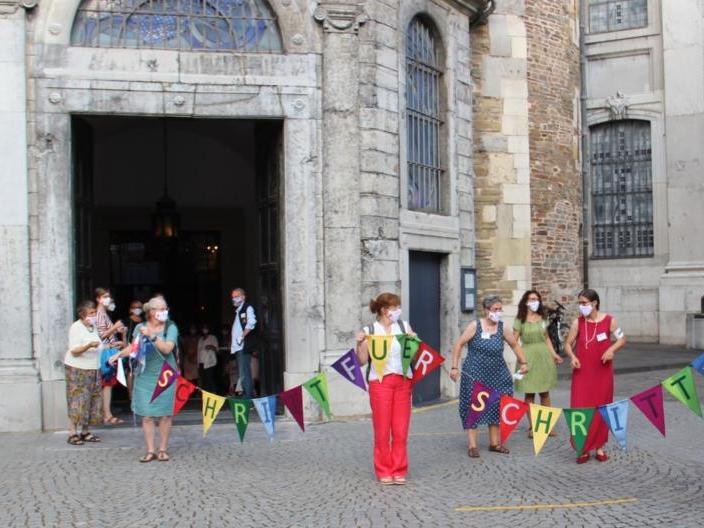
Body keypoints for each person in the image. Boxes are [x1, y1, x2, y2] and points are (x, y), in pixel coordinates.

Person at [449, 295, 529, 458]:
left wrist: (524, 362)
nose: (498, 312)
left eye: (500, 309)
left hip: (498, 372)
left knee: (496, 405)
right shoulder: (475, 326)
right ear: (486, 311)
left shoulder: (502, 328)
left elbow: (514, 344)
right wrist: (454, 366)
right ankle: (472, 445)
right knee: (475, 407)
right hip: (475, 373)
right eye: (495, 309)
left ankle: (495, 443)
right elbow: (459, 344)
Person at [355, 292, 416, 485]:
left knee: (400, 429)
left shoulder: (404, 327)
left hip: (403, 381)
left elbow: (413, 358)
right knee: (382, 429)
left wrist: (414, 342)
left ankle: (399, 469)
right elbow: (362, 361)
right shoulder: (370, 329)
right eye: (395, 307)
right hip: (379, 382)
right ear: (384, 310)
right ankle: (383, 470)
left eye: (398, 307)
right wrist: (359, 343)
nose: (398, 311)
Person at [110, 296, 179, 462]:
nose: (164, 312)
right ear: (151, 312)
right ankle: (150, 450)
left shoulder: (170, 327)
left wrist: (153, 336)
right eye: (161, 309)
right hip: (145, 375)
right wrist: (119, 354)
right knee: (146, 415)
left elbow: (168, 349)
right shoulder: (140, 327)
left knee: (164, 414)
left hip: (165, 375)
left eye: (165, 309)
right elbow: (134, 348)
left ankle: (162, 448)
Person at [564, 288, 626, 464]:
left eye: (584, 303)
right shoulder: (578, 323)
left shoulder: (609, 320)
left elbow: (622, 339)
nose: (581, 306)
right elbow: (568, 344)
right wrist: (573, 356)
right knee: (580, 408)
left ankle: (599, 446)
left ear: (594, 303)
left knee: (601, 407)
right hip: (582, 372)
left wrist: (611, 349)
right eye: (580, 303)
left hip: (602, 372)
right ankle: (582, 447)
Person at [513, 290, 563, 438]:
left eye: (536, 299)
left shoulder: (543, 318)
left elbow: (547, 339)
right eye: (531, 299)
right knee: (529, 393)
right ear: (525, 302)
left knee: (545, 393)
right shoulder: (519, 320)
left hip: (544, 357)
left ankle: (546, 426)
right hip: (527, 357)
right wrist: (521, 360)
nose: (534, 301)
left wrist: (554, 355)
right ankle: (533, 427)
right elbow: (514, 342)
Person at [64, 300, 104, 445]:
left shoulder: (93, 327)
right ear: (83, 314)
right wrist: (88, 346)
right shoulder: (76, 327)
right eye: (91, 313)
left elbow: (99, 344)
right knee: (77, 399)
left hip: (93, 368)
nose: (94, 315)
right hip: (77, 368)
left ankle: (85, 431)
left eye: (94, 312)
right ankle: (73, 432)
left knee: (92, 400)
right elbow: (74, 351)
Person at [95, 287, 126, 425]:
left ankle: (106, 413)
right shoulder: (99, 315)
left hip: (110, 350)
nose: (108, 299)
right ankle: (106, 414)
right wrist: (114, 328)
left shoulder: (104, 314)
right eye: (105, 296)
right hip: (105, 353)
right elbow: (100, 336)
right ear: (98, 299)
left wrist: (117, 333)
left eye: (109, 296)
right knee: (106, 384)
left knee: (108, 384)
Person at [230, 288, 257, 399]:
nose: (234, 298)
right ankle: (247, 395)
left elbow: (252, 322)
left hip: (243, 346)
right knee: (243, 373)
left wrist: (241, 336)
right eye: (233, 296)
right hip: (238, 346)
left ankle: (247, 398)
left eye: (237, 295)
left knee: (244, 373)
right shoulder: (239, 310)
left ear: (243, 296)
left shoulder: (247, 308)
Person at [124, 300, 144, 398]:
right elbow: (125, 337)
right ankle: (131, 397)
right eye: (135, 307)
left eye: (140, 307)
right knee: (131, 371)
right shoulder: (126, 321)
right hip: (131, 349)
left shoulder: (144, 321)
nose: (137, 309)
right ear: (130, 309)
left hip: (143, 349)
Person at [197, 324, 219, 393]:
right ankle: (206, 395)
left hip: (210, 362)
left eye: (206, 328)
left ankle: (213, 394)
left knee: (210, 379)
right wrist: (197, 363)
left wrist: (211, 346)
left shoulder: (213, 337)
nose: (204, 330)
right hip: (201, 362)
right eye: (203, 328)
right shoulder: (200, 339)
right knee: (204, 380)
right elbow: (198, 351)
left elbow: (216, 349)